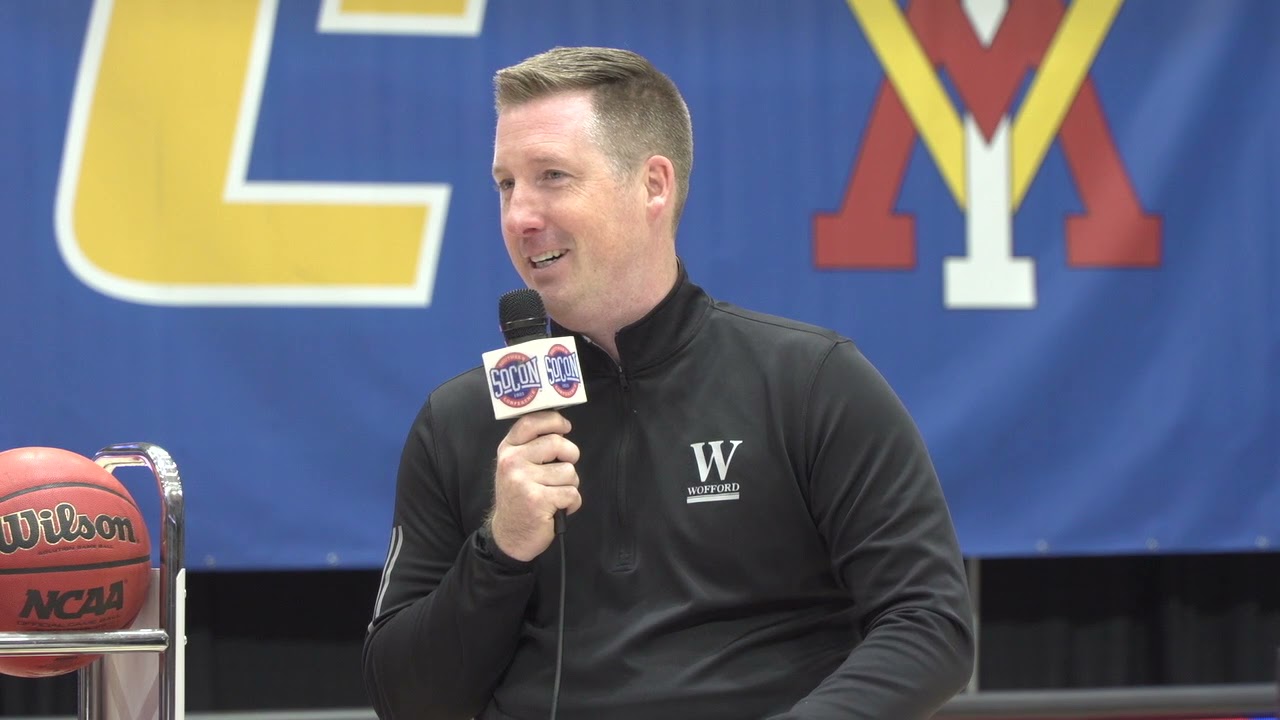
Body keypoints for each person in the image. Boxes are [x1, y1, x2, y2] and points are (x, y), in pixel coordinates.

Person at [362, 46, 975, 720]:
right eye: (507, 184)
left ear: (654, 185)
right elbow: (404, 700)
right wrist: (499, 548)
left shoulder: (810, 382)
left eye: (552, 176)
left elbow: (930, 624)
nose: (519, 216)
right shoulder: (460, 421)